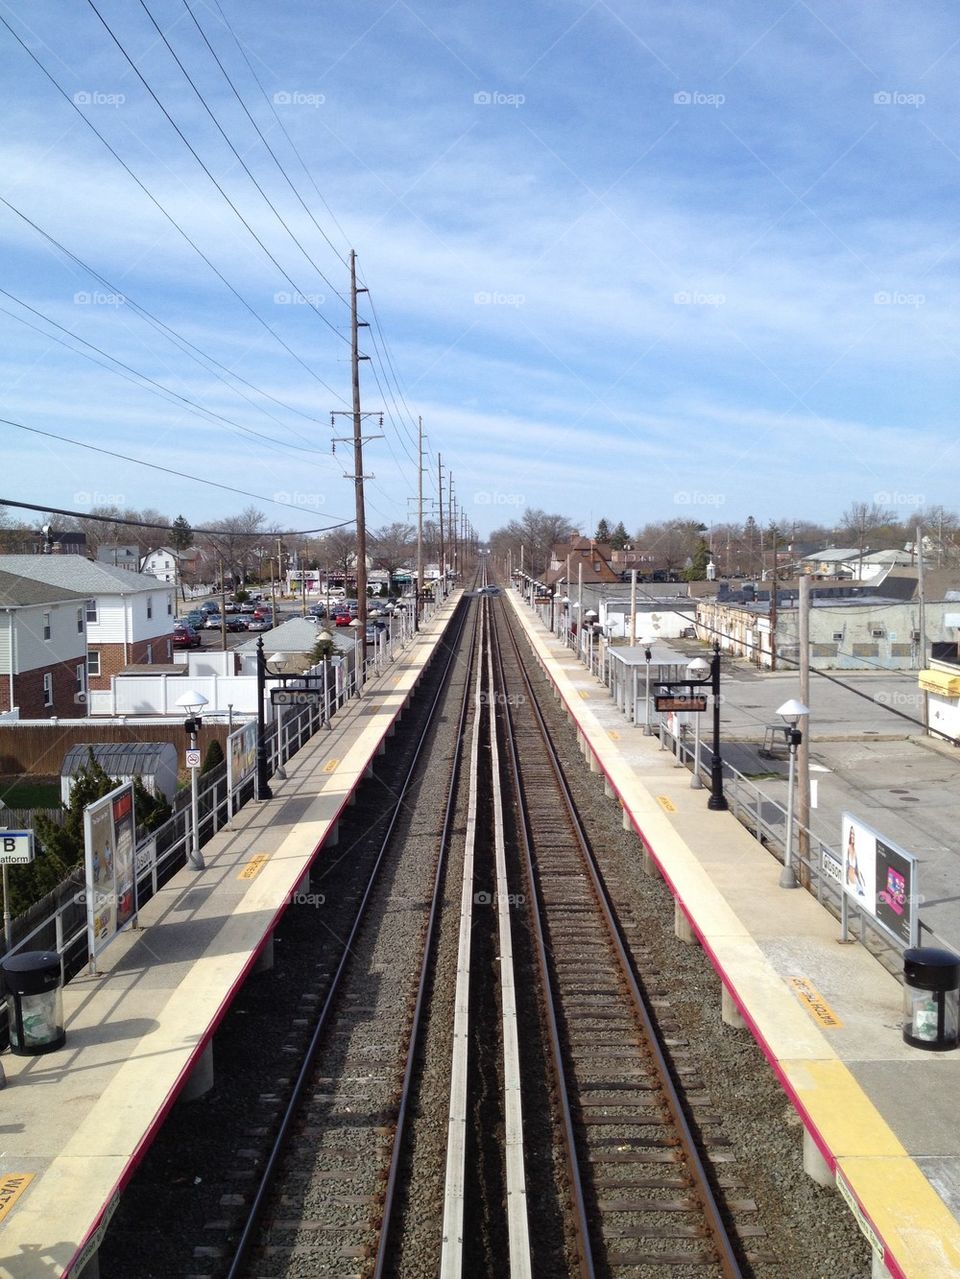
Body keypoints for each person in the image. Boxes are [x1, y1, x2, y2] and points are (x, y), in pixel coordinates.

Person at [846, 826, 865, 896]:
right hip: (850, 880)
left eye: (853, 834)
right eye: (851, 834)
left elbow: (859, 869)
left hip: (857, 883)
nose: (852, 836)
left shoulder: (857, 851)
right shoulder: (848, 849)